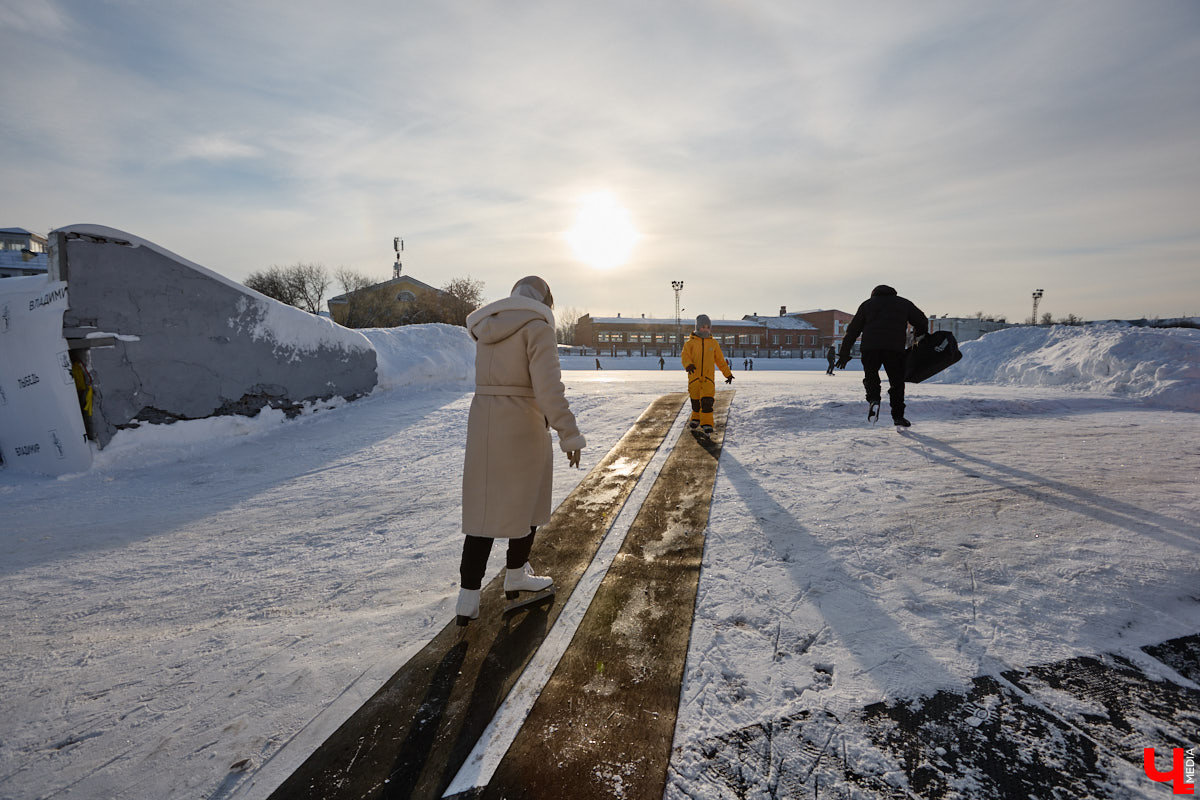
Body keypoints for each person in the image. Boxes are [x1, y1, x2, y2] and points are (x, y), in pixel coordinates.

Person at [457, 276, 586, 625]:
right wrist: (569, 434)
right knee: (525, 502)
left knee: (484, 506)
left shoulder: (487, 328)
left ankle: (468, 596)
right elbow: (549, 390)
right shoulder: (537, 328)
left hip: (483, 422)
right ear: (546, 299)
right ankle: (516, 574)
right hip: (521, 425)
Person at [836, 284, 928, 427]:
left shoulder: (867, 305)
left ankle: (874, 400)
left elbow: (852, 330)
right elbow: (921, 320)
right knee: (896, 383)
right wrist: (918, 336)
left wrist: (844, 353)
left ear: (874, 294)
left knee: (871, 377)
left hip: (870, 349)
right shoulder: (904, 303)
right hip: (894, 349)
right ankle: (898, 417)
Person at [681, 314, 734, 434]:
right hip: (694, 377)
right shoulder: (690, 343)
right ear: (697, 327)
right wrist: (688, 365)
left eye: (707, 327)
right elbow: (685, 356)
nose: (705, 329)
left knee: (707, 402)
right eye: (703, 327)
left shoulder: (713, 343)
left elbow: (720, 360)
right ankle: (695, 418)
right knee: (695, 401)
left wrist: (728, 374)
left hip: (708, 378)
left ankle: (707, 423)